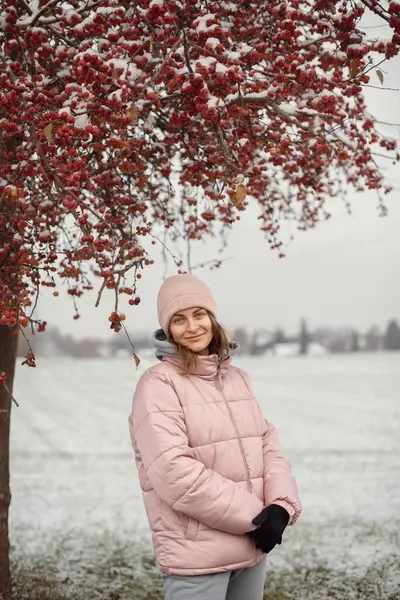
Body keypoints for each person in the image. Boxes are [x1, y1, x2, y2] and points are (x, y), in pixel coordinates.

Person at [128, 274, 302, 600]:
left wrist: (280, 507)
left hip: (251, 549)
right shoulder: (158, 385)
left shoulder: (238, 379)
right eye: (179, 319)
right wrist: (255, 518)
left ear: (212, 317)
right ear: (168, 330)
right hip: (197, 555)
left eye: (199, 314)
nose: (192, 326)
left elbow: (267, 443)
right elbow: (174, 473)